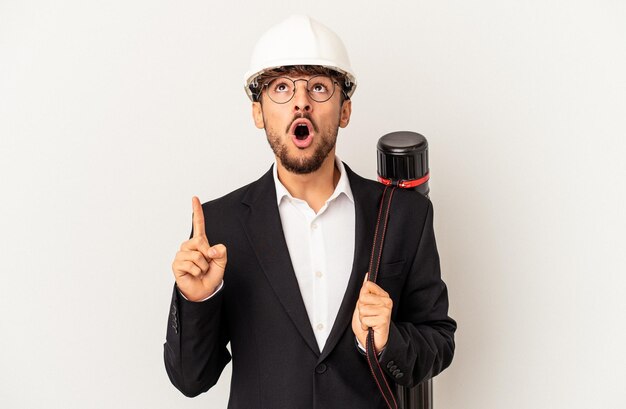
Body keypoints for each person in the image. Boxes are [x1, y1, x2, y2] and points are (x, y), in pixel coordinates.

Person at [164, 15, 456, 409]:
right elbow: (190, 379)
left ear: (344, 110)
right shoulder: (221, 226)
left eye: (319, 87)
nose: (301, 102)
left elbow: (437, 341)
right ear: (258, 113)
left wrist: (389, 341)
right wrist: (198, 299)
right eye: (281, 88)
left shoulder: (405, 214)